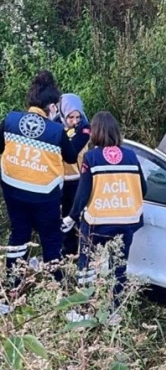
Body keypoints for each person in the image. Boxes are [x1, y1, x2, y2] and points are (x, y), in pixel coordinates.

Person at [0, 70, 79, 284]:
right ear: (52, 106)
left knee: (19, 237)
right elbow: (71, 158)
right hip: (45, 195)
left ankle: (11, 288)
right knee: (51, 241)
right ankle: (55, 289)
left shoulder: (10, 120)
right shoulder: (55, 131)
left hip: (13, 191)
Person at [66, 111, 146, 318]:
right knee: (119, 267)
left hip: (97, 221)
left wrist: (72, 216)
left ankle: (84, 311)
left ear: (95, 133)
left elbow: (83, 193)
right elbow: (143, 188)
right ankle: (114, 312)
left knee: (86, 264)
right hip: (127, 220)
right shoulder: (131, 156)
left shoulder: (91, 157)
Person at [56, 93, 91, 256]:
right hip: (59, 180)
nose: (75, 121)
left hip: (78, 180)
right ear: (62, 113)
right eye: (70, 117)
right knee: (62, 220)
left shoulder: (85, 128)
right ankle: (66, 253)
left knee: (76, 217)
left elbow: (71, 151)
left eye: (78, 116)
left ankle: (81, 252)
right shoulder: (55, 125)